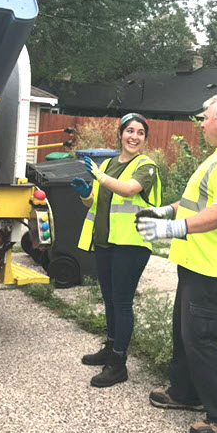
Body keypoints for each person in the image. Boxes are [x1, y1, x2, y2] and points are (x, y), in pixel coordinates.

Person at [135, 94, 217, 433]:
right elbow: (194, 204)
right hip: (197, 262)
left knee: (204, 340)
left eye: (205, 118)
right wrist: (164, 212)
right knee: (185, 334)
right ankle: (186, 392)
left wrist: (173, 229)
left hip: (215, 266)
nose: (201, 123)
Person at [71, 112, 161, 388]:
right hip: (106, 242)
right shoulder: (110, 163)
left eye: (140, 133)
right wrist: (87, 193)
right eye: (129, 131)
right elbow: (95, 204)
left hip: (131, 244)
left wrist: (98, 175)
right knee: (109, 299)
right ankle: (110, 347)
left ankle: (119, 363)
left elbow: (127, 190)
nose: (134, 136)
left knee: (122, 303)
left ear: (145, 138)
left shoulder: (146, 166)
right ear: (120, 134)